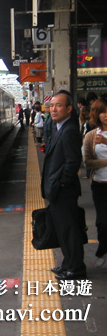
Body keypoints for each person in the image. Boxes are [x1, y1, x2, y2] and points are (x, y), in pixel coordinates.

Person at [41, 90, 86, 280]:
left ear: (69, 109)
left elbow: (73, 161)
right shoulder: (60, 127)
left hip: (64, 191)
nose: (53, 109)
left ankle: (75, 268)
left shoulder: (68, 131)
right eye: (52, 105)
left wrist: (61, 184)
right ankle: (68, 264)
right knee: (62, 229)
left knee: (69, 230)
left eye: (58, 105)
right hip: (58, 189)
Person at [82, 97, 107, 267]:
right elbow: (87, 162)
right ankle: (103, 250)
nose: (106, 115)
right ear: (96, 114)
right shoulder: (91, 136)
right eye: (103, 111)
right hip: (100, 184)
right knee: (102, 222)